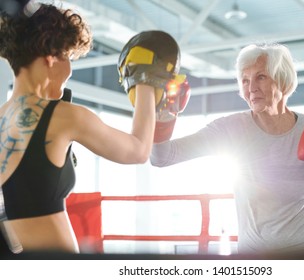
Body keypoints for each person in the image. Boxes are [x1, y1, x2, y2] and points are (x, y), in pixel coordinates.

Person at [0, 1, 180, 254]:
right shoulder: (64, 117)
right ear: (52, 57)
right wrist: (145, 81)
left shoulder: (3, 117)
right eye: (68, 57)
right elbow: (138, 151)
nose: (70, 70)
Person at [150, 43, 304, 256]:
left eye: (261, 77)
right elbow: (162, 158)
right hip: (256, 258)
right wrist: (163, 116)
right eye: (245, 80)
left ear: (282, 80)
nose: (251, 87)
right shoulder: (230, 130)